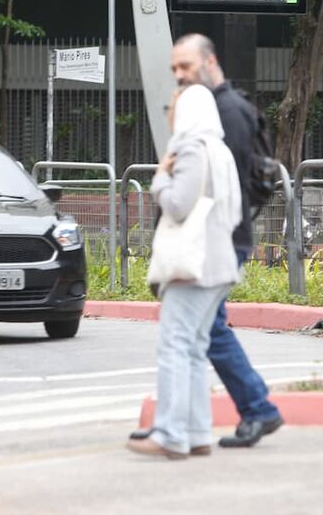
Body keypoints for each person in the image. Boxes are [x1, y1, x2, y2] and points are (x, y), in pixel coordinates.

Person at [132, 33, 285, 449]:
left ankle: (247, 410)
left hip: (212, 241)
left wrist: (165, 181)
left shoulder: (223, 116)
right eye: (175, 70)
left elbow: (208, 191)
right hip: (216, 239)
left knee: (196, 335)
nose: (179, 77)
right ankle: (197, 423)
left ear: (209, 61)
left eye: (185, 67)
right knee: (203, 334)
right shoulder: (218, 112)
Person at [126, 84, 242, 460]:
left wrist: (160, 177)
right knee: (194, 349)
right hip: (218, 263)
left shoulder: (190, 148)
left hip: (192, 266)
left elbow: (176, 205)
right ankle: (196, 432)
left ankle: (172, 434)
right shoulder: (219, 150)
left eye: (173, 105)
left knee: (174, 347)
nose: (169, 113)